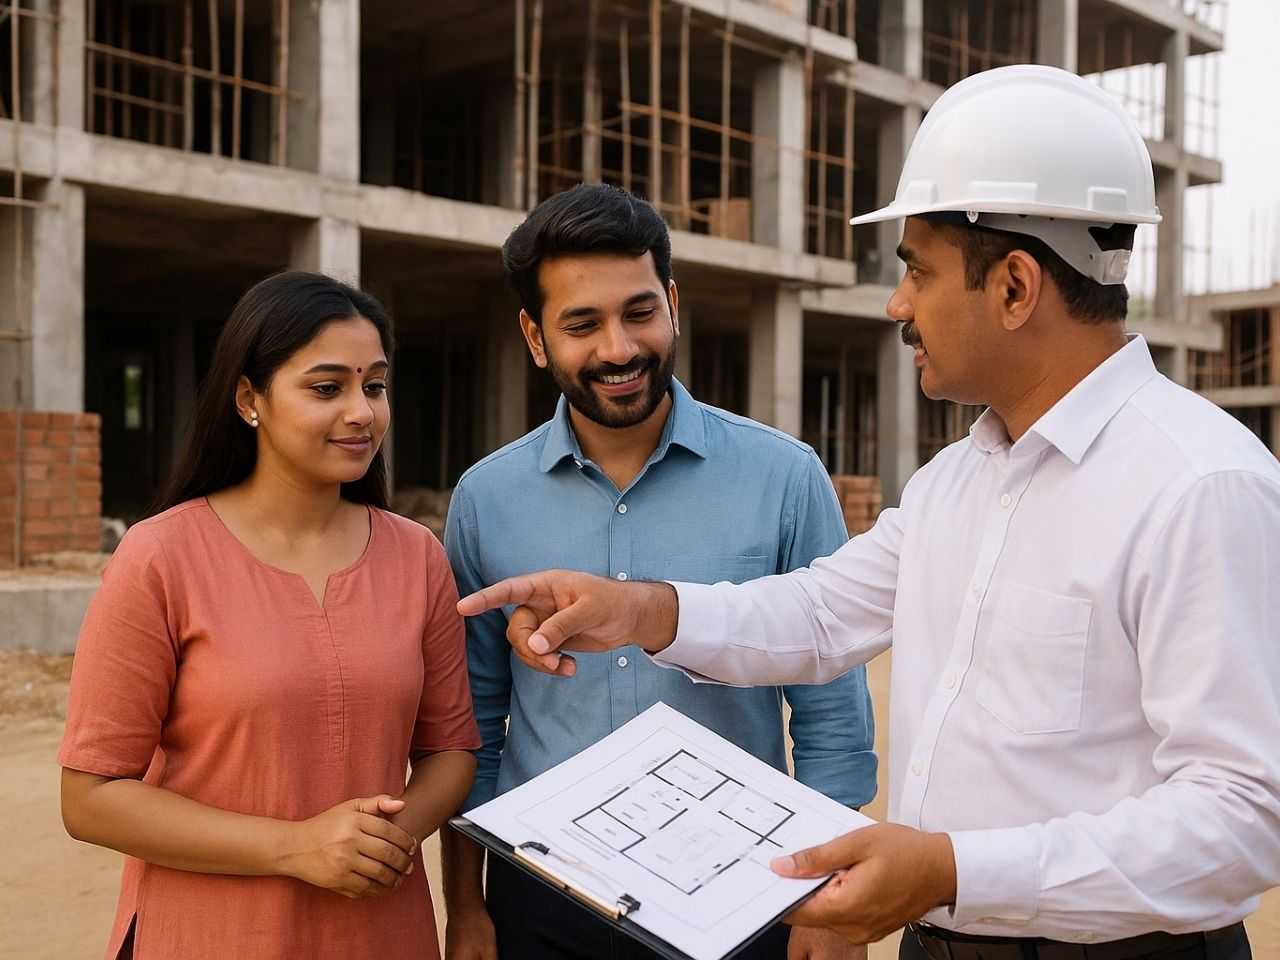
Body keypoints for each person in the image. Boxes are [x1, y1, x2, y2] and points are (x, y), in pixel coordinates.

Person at [456, 66, 1280, 959]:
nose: (898, 306)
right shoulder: (959, 480)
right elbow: (817, 613)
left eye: (916, 273)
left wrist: (953, 870)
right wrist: (640, 610)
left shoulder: (1198, 486)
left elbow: (1246, 817)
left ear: (1013, 288)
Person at [440, 183, 877, 960]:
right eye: (581, 324)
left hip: (748, 899)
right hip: (543, 900)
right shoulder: (486, 500)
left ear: (672, 303)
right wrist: (468, 907)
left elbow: (831, 719)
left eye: (639, 312)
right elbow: (471, 721)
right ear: (535, 338)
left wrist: (827, 907)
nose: (617, 348)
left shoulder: (784, 478)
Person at [59, 271, 481, 960]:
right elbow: (91, 797)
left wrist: (388, 838)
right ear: (249, 399)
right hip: (207, 935)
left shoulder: (417, 557)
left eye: (374, 386)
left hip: (380, 932)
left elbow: (451, 750)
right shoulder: (160, 556)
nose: (362, 411)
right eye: (326, 387)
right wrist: (296, 847)